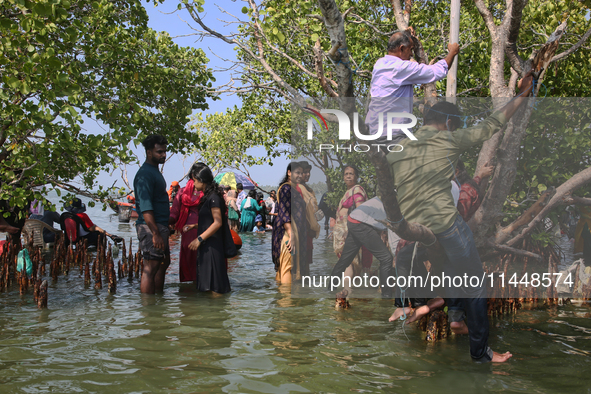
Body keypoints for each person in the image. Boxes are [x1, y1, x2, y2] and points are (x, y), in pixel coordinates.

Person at [386, 72, 534, 363]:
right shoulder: (449, 139)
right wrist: (522, 95)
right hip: (445, 224)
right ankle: (481, 353)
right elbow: (492, 124)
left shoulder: (397, 147)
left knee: (450, 267)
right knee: (475, 281)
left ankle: (441, 313)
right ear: (450, 123)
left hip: (412, 228)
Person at [366, 30, 459, 142]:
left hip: (372, 131)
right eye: (410, 49)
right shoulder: (401, 68)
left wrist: (407, 33)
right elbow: (437, 71)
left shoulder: (379, 64)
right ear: (401, 48)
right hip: (392, 134)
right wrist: (452, 53)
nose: (411, 54)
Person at [330, 197, 395, 298]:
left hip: (353, 219)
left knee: (345, 260)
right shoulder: (395, 203)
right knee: (387, 258)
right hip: (360, 223)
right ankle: (386, 297)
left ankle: (329, 291)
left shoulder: (386, 195)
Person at [134, 134, 171, 294]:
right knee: (151, 267)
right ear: (149, 152)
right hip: (150, 227)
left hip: (160, 225)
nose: (163, 155)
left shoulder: (154, 171)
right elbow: (146, 208)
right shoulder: (145, 175)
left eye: (164, 151)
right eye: (159, 152)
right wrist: (155, 233)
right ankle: (148, 310)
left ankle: (158, 303)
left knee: (163, 262)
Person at [187, 163, 231, 294]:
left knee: (215, 287)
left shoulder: (213, 198)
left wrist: (198, 239)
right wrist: (195, 226)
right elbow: (211, 221)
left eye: (194, 180)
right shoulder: (209, 197)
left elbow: (217, 223)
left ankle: (217, 312)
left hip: (212, 247)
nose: (193, 184)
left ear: (201, 179)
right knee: (209, 285)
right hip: (208, 246)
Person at [332, 165, 371, 284]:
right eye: (346, 174)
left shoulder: (357, 191)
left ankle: (346, 292)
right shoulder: (349, 192)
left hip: (350, 232)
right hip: (343, 233)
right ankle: (353, 293)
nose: (348, 176)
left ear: (357, 177)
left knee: (348, 262)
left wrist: (350, 231)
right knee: (351, 262)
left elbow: (360, 212)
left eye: (351, 174)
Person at [272, 162, 308, 284]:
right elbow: (284, 212)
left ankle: (281, 297)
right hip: (288, 233)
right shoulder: (286, 189)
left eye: (301, 173)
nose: (300, 175)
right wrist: (291, 234)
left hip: (290, 232)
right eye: (297, 172)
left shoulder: (292, 189)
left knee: (284, 266)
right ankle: (287, 300)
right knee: (288, 267)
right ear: (289, 173)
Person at [169, 168, 204, 283]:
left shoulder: (184, 192)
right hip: (196, 231)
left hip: (197, 231)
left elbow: (174, 214)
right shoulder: (183, 192)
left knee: (196, 262)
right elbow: (174, 213)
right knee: (196, 261)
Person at [297, 161, 320, 268]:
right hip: (302, 230)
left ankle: (304, 284)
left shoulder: (308, 190)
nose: (308, 174)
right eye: (305, 172)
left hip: (309, 230)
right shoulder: (297, 189)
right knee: (301, 263)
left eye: (308, 172)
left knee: (306, 262)